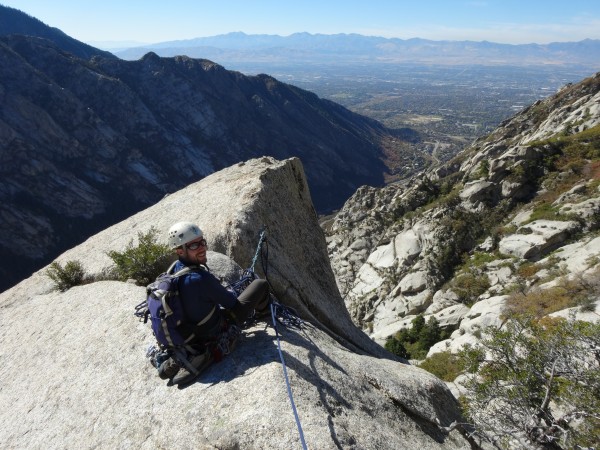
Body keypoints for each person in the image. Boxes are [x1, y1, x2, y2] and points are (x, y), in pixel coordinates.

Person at [161, 221, 270, 385]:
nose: (202, 247)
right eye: (193, 245)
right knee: (260, 284)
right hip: (212, 331)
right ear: (179, 250)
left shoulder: (173, 269)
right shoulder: (199, 278)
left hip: (186, 334)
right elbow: (232, 304)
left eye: (202, 242)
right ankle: (266, 313)